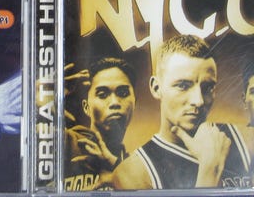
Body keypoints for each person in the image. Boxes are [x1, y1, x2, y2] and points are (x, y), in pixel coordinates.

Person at [113, 35, 253, 190]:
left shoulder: (246, 140)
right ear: (156, 88)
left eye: (207, 88)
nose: (198, 101)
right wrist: (210, 169)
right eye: (183, 86)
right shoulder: (134, 172)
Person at [64, 57, 136, 191]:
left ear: (134, 102)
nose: (114, 102)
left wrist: (115, 166)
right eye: (102, 95)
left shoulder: (137, 168)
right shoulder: (65, 140)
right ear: (86, 107)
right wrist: (40, 104)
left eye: (123, 93)